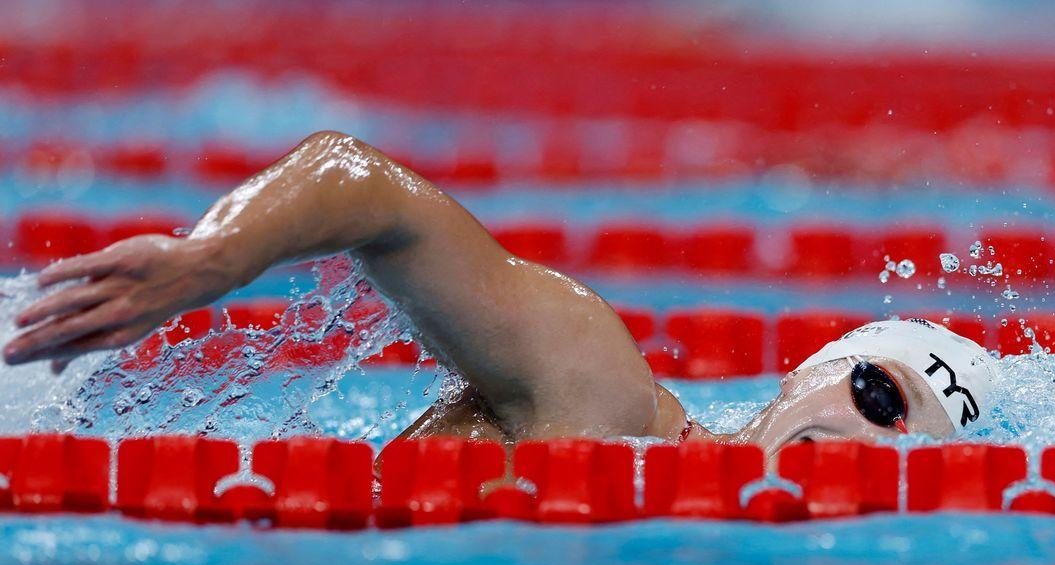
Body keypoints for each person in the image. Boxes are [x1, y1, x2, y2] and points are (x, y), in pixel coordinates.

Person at [3, 132, 994, 454]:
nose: (877, 442)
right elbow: (363, 183)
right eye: (876, 394)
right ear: (806, 375)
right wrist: (206, 260)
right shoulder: (598, 391)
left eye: (913, 455)